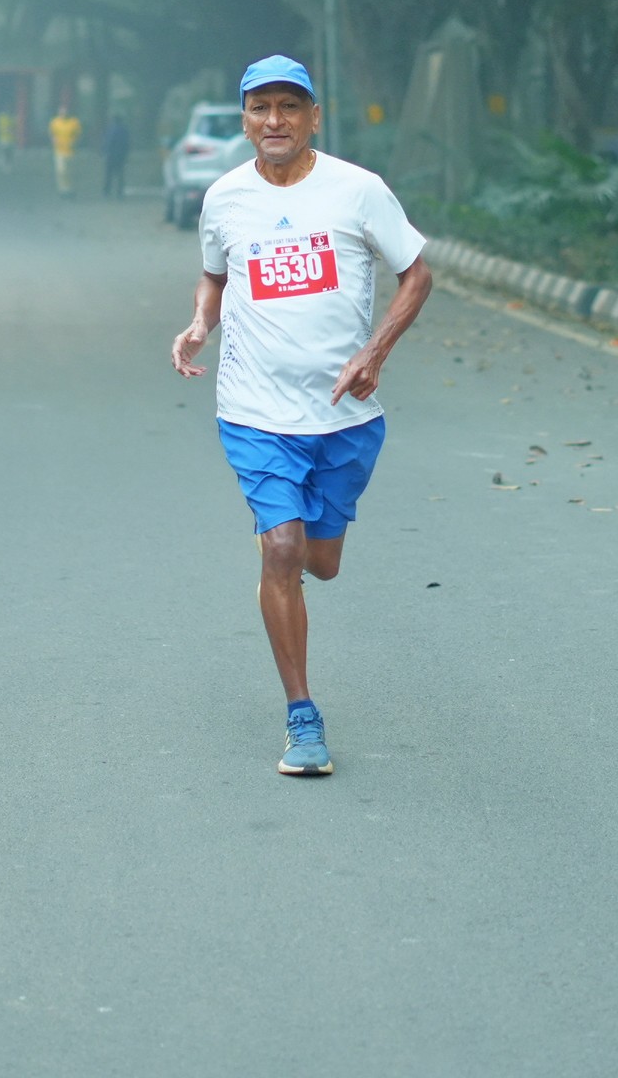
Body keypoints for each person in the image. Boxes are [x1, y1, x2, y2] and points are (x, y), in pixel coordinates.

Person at [170, 55, 433, 777]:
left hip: (344, 418)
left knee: (323, 561)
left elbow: (417, 274)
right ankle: (302, 717)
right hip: (253, 411)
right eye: (261, 108)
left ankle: (293, 557)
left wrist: (375, 351)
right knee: (282, 550)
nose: (275, 121)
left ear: (315, 115)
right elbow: (214, 276)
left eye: (290, 106)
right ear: (245, 119)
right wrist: (200, 323)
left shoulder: (358, 190)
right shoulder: (224, 197)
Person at [49, 101, 82, 197]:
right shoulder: (55, 122)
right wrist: (54, 140)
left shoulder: (74, 122)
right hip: (59, 150)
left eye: (65, 111)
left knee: (69, 172)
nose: (63, 113)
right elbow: (52, 133)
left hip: (71, 151)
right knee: (61, 171)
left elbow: (78, 134)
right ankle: (63, 189)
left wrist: (75, 142)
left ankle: (70, 189)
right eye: (61, 112)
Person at [101, 112, 132, 199]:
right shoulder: (125, 130)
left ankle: (107, 191)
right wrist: (126, 155)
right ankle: (120, 192)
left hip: (111, 155)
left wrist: (104, 151)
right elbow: (127, 143)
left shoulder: (110, 129)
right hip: (121, 155)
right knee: (120, 174)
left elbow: (108, 142)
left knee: (109, 174)